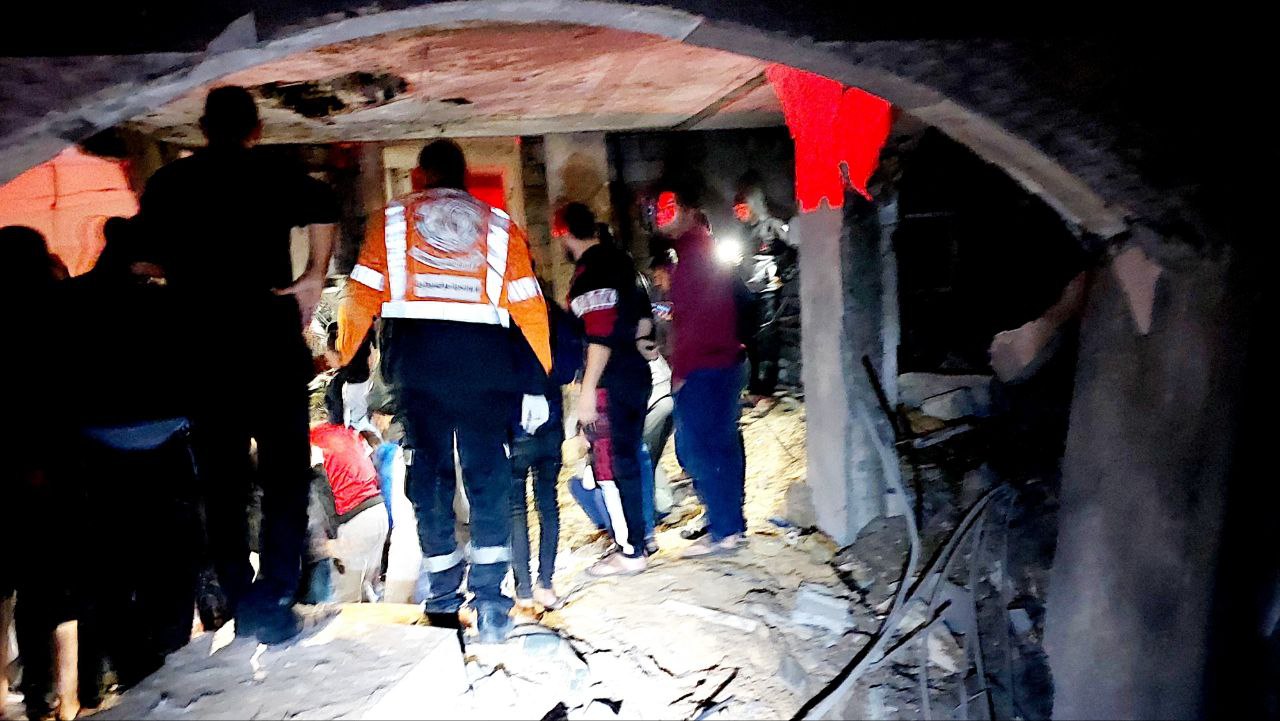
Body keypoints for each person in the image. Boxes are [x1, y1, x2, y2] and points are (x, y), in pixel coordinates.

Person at [137, 85, 340, 643]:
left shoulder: (170, 182)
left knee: (221, 483)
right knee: (284, 480)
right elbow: (326, 205)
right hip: (267, 342)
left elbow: (146, 256)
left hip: (201, 351)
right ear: (255, 130)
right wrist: (314, 275)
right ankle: (271, 601)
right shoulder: (272, 173)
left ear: (204, 129)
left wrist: (187, 273)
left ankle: (236, 589)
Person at [338, 139, 552, 643]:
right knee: (488, 480)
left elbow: (358, 301)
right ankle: (492, 606)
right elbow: (529, 309)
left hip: (419, 373)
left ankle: (442, 603)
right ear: (464, 175)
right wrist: (535, 385)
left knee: (428, 484)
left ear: (421, 176)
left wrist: (354, 376)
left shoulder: (392, 221)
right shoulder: (498, 226)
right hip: (485, 374)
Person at [57, 216, 203, 700]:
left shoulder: (69, 300)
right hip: (167, 450)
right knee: (172, 566)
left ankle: (135, 669)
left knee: (111, 570)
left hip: (93, 454)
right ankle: (165, 664)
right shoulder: (171, 303)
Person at [3, 225, 80, 720]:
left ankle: (18, 695)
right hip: (57, 463)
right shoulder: (60, 313)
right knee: (57, 587)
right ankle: (63, 699)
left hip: (9, 468)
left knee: (10, 590)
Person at [653, 180, 749, 557]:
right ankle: (730, 525)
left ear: (689, 211)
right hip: (723, 361)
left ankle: (723, 528)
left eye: (669, 208)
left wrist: (680, 371)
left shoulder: (693, 256)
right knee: (721, 445)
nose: (661, 217)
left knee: (698, 449)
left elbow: (695, 321)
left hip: (706, 366)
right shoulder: (698, 251)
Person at [558, 203, 653, 577]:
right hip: (635, 374)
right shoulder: (621, 261)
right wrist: (641, 346)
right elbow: (644, 320)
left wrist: (587, 390)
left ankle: (629, 551)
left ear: (565, 233)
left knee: (609, 466)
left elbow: (598, 336)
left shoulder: (591, 272)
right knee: (629, 458)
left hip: (609, 381)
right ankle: (641, 537)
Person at [509, 297, 580, 609]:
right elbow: (568, 369)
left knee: (515, 507)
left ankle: (523, 589)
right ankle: (546, 584)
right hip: (550, 419)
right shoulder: (556, 315)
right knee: (547, 503)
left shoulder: (506, 312)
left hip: (514, 422)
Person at [309, 410, 388, 604]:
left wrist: (329, 540)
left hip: (354, 520)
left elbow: (322, 490)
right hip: (378, 511)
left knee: (346, 603)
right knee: (366, 592)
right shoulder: (346, 432)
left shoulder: (313, 441)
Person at [734, 175, 796, 405]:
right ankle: (753, 385)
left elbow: (792, 249)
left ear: (753, 205)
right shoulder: (740, 232)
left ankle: (766, 388)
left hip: (768, 289)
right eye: (736, 210)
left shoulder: (772, 226)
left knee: (766, 338)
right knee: (747, 338)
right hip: (746, 289)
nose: (740, 214)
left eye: (743, 208)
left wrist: (782, 271)